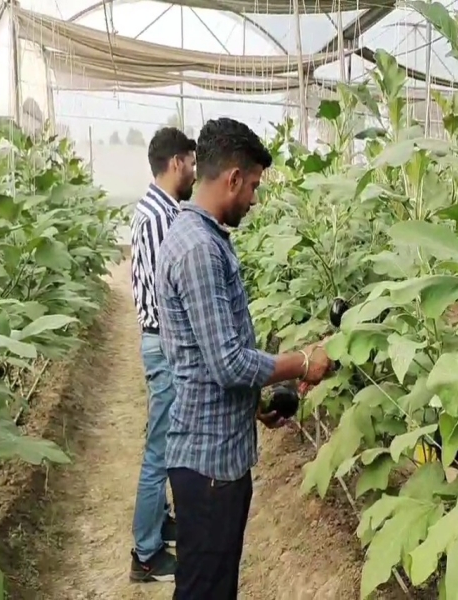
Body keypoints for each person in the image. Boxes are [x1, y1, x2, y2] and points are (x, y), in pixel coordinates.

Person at [154, 117, 333, 599]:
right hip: (210, 466)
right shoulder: (197, 250)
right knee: (205, 590)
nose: (254, 198)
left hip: (214, 453)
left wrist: (252, 404)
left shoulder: (201, 239)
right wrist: (303, 361)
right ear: (232, 178)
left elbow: (206, 356)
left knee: (211, 586)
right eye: (253, 185)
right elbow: (228, 362)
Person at [128, 127, 197, 583]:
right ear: (175, 163)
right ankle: (146, 554)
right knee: (159, 451)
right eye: (191, 162)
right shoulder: (160, 218)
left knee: (167, 440)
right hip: (163, 340)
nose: (194, 170)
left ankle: (160, 524)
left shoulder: (155, 209)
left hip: (158, 339)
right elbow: (162, 293)